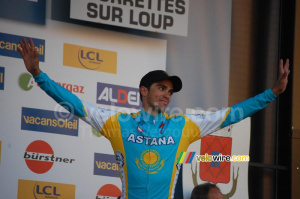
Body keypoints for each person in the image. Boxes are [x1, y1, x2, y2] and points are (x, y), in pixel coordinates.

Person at [17, 38, 290, 199]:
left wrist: (273, 93)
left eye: (170, 91)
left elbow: (232, 114)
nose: (167, 95)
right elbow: (76, 105)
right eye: (161, 88)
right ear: (144, 91)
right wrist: (39, 75)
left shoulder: (182, 126)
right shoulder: (117, 123)